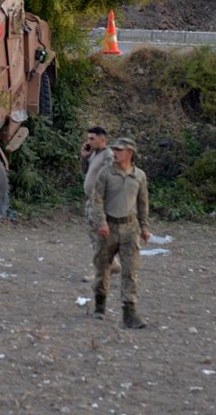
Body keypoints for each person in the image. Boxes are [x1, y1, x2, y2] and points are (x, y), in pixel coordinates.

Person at [87, 137, 151, 329]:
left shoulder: (139, 176)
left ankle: (129, 313)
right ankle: (100, 304)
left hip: (130, 228)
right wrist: (101, 222)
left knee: (130, 270)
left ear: (129, 153)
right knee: (102, 267)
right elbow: (97, 199)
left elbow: (143, 203)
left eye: (119, 150)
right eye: (113, 149)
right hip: (109, 227)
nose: (114, 153)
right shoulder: (106, 173)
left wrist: (144, 227)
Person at [79, 127, 120, 283]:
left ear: (102, 139)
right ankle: (112, 264)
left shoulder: (108, 155)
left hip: (100, 201)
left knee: (99, 235)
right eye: (88, 138)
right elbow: (85, 171)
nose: (89, 141)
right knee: (93, 234)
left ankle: (101, 271)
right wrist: (84, 157)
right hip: (91, 200)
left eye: (92, 138)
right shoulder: (93, 154)